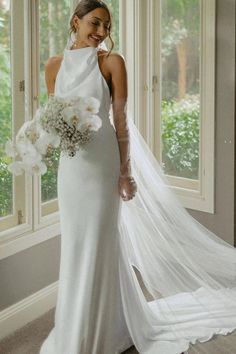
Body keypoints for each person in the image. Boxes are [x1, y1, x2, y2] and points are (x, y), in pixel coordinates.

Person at [39, 1, 236, 354]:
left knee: (101, 243)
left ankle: (102, 329)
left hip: (101, 165)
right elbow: (53, 116)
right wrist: (48, 141)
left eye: (106, 27)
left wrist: (125, 172)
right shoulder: (53, 66)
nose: (101, 32)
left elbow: (120, 120)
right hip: (71, 169)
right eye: (95, 23)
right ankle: (78, 326)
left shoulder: (112, 63)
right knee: (75, 245)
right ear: (76, 22)